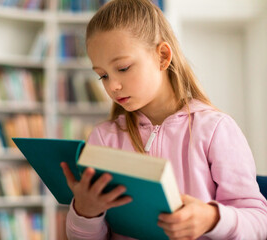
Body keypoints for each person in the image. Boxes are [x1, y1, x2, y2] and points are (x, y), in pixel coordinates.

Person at [60, 0, 267, 239]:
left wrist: (212, 218)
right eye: (103, 76)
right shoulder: (103, 137)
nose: (112, 86)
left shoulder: (215, 129)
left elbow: (259, 222)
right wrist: (86, 213)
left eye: (124, 68)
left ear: (162, 56)